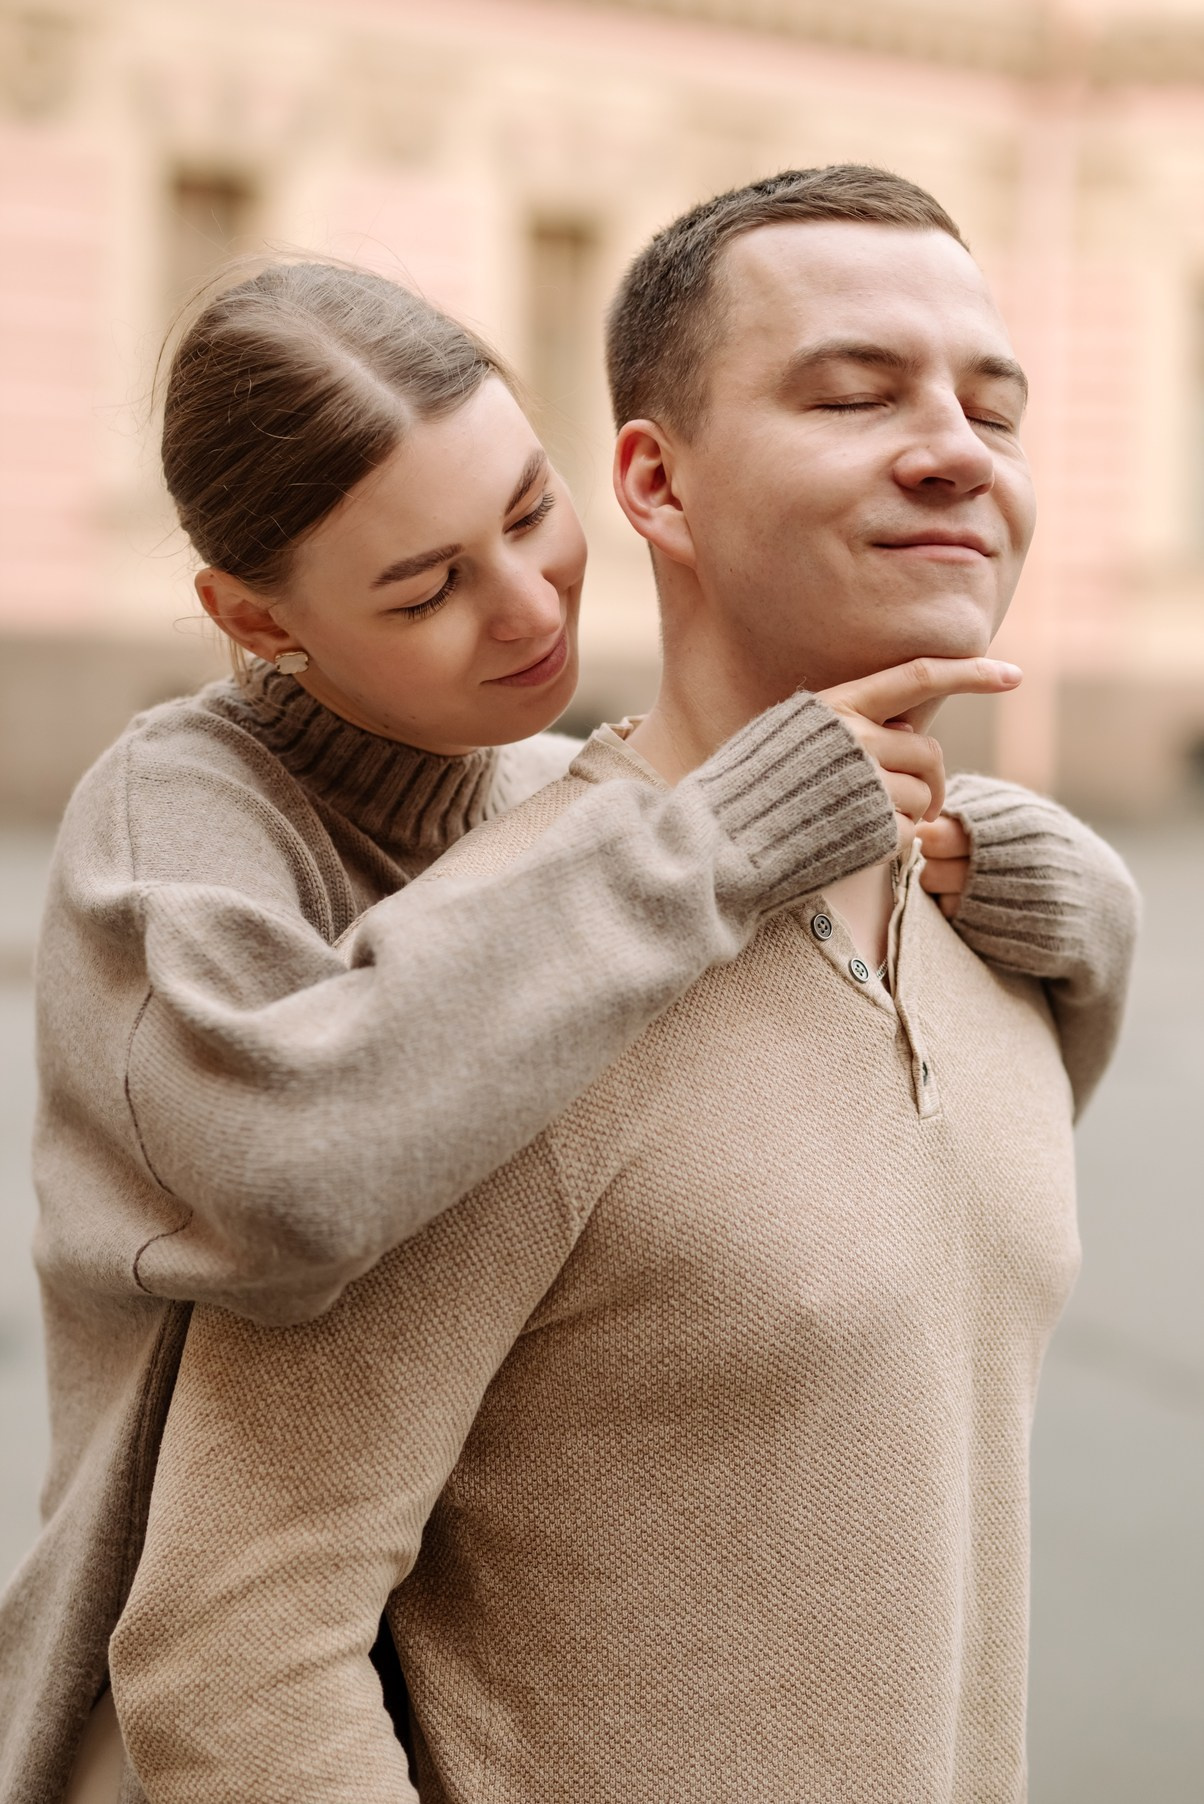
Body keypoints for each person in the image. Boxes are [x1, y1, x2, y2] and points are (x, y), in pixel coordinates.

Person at [106, 167, 1138, 1803]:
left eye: (993, 405)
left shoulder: (991, 920)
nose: (956, 446)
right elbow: (230, 1651)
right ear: (654, 484)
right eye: (857, 393)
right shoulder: (480, 996)